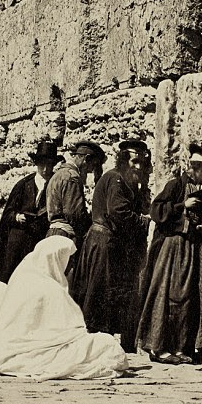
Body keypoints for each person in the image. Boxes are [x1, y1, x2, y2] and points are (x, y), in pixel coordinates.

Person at [0, 236, 129, 379]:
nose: (70, 266)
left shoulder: (24, 278)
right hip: (41, 349)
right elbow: (69, 332)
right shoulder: (50, 288)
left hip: (5, 350)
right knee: (109, 346)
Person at [136, 142, 202, 364]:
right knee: (165, 295)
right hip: (173, 248)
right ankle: (158, 347)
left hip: (192, 247)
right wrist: (183, 206)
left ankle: (181, 346)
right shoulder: (175, 185)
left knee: (188, 298)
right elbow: (157, 211)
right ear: (196, 168)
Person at [70, 140, 151, 351]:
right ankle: (92, 344)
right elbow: (118, 212)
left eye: (142, 163)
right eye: (134, 161)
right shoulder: (115, 178)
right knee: (98, 293)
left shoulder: (123, 180)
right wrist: (144, 221)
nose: (139, 167)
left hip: (105, 242)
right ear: (123, 160)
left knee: (101, 293)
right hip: (103, 243)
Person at [0, 140, 62, 283]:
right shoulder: (24, 185)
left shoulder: (55, 184)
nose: (45, 169)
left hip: (39, 239)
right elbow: (8, 213)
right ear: (36, 164)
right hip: (19, 239)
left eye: (49, 164)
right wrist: (17, 217)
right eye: (42, 164)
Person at [45, 141, 106, 244]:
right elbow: (74, 214)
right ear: (86, 159)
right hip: (65, 236)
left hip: (54, 233)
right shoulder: (72, 177)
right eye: (92, 166)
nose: (89, 171)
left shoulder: (58, 174)